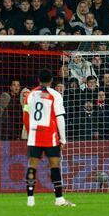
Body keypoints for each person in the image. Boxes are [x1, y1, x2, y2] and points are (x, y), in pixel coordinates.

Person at [23, 70, 75, 207]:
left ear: (38, 79)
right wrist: (63, 139)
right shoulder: (55, 94)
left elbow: (26, 116)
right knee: (55, 167)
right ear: (51, 80)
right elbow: (60, 117)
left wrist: (30, 133)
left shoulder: (30, 95)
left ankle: (30, 200)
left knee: (32, 167)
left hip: (34, 135)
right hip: (50, 136)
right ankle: (59, 199)